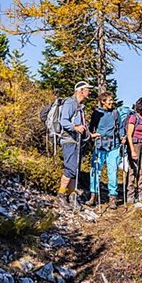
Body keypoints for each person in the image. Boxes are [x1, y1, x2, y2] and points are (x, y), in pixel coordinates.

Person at [86, 92, 126, 210]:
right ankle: (93, 196)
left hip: (114, 146)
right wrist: (92, 135)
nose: (111, 102)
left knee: (112, 172)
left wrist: (122, 137)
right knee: (95, 171)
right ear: (103, 101)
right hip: (99, 145)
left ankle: (112, 198)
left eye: (112, 100)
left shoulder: (115, 113)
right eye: (109, 100)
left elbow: (120, 128)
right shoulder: (97, 113)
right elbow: (91, 127)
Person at [57, 80, 93, 208]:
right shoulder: (70, 103)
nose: (89, 92)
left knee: (75, 170)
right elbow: (63, 121)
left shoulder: (80, 107)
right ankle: (61, 195)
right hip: (69, 140)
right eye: (88, 89)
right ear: (80, 91)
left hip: (76, 141)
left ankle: (72, 196)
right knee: (70, 168)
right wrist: (75, 127)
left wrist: (89, 135)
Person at [126, 97, 142, 204]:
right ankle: (130, 194)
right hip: (135, 144)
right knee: (133, 169)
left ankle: (140, 193)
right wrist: (132, 150)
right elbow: (129, 135)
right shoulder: (133, 117)